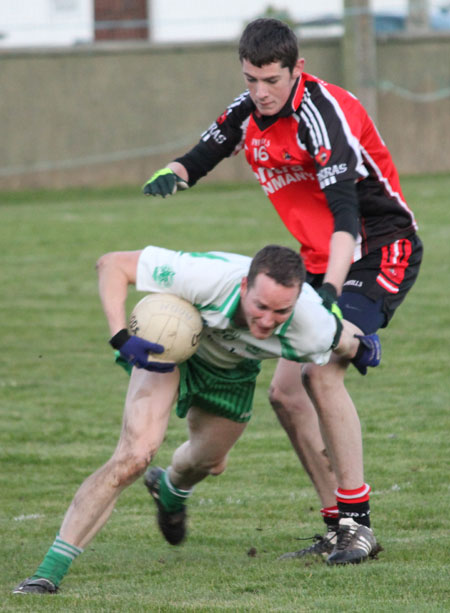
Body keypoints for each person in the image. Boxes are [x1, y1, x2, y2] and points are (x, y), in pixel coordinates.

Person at [140, 18, 422, 564]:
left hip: (375, 248)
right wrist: (174, 172)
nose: (261, 92)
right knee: (286, 395)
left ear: (296, 70)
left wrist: (333, 296)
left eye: (271, 80)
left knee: (320, 371)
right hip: (316, 262)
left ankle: (358, 525)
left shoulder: (321, 116)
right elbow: (203, 154)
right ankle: (337, 525)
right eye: (251, 80)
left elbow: (346, 218)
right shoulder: (248, 110)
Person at [13, 244, 380, 594]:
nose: (267, 320)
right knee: (134, 456)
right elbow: (111, 264)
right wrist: (119, 336)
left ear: (297, 302)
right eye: (260, 305)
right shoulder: (205, 277)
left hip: (231, 374)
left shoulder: (312, 326)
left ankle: (170, 489)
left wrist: (365, 348)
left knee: (208, 462)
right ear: (243, 285)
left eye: (281, 311)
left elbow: (347, 343)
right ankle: (46, 575)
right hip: (167, 352)